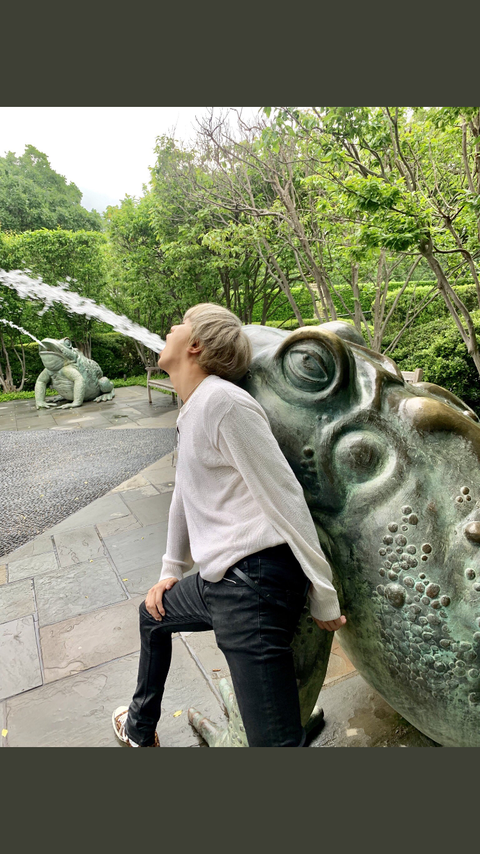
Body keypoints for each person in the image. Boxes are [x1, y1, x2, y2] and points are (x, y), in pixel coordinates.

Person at [112, 303, 346, 748]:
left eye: (181, 323)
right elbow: (184, 492)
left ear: (196, 345)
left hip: (252, 587)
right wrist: (169, 571)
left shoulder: (224, 403)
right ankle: (141, 728)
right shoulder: (194, 409)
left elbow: (284, 494)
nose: (171, 327)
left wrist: (323, 591)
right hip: (222, 581)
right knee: (152, 614)